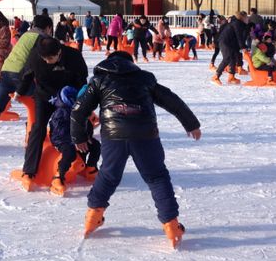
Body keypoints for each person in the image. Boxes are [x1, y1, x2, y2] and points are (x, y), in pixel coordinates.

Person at [71, 51, 201, 248]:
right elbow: (171, 100)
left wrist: (79, 137)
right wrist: (191, 124)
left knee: (108, 175)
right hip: (145, 135)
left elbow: (78, 109)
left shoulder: (99, 80)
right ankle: (171, 226)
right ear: (131, 64)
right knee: (157, 177)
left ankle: (92, 217)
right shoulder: (144, 79)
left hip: (114, 137)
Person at [14, 37, 88, 190]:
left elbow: (82, 79)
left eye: (50, 58)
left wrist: (82, 101)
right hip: (46, 96)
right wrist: (19, 91)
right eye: (44, 58)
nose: (47, 61)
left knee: (79, 127)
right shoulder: (36, 56)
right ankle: (29, 171)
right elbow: (27, 74)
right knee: (38, 128)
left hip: (69, 96)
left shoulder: (73, 56)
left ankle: (84, 164)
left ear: (59, 52)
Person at [0, 15, 54, 149]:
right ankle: (31, 135)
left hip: (6, 70)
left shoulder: (25, 35)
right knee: (37, 104)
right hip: (20, 74)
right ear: (48, 28)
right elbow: (40, 61)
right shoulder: (42, 39)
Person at [47, 85, 101, 196]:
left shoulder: (83, 111)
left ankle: (90, 169)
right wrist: (75, 141)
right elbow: (59, 132)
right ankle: (58, 177)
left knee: (95, 145)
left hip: (77, 139)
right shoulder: (62, 112)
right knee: (69, 153)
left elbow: (87, 127)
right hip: (62, 139)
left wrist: (87, 138)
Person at [212, 12, 248, 85]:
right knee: (227, 58)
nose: (248, 19)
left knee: (233, 58)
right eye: (246, 17)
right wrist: (243, 47)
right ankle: (216, 76)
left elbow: (238, 37)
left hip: (231, 43)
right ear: (242, 18)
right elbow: (239, 36)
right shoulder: (237, 24)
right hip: (225, 42)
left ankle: (231, 77)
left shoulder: (239, 24)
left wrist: (242, 47)